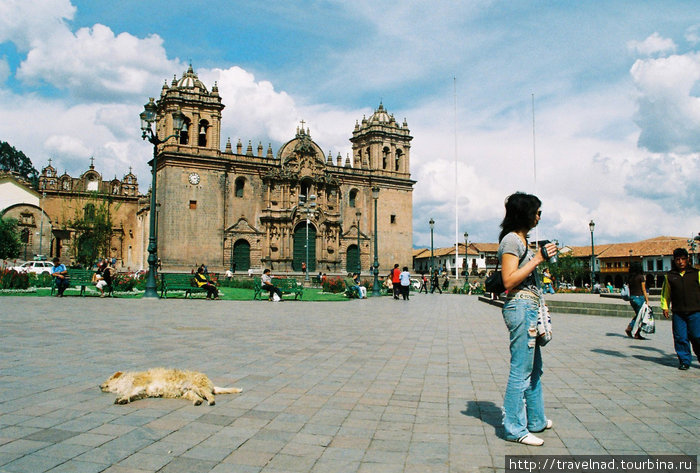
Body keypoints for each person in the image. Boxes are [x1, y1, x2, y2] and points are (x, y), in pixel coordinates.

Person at [497, 192, 557, 446]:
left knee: (534, 369)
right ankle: (514, 427)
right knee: (520, 370)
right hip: (520, 307)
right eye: (537, 211)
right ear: (524, 213)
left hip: (530, 306)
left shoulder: (523, 240)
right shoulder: (511, 240)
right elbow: (509, 280)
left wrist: (540, 257)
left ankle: (536, 420)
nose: (539, 216)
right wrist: (538, 260)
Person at [660, 248, 700, 371]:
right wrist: (665, 307)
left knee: (697, 336)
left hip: (696, 311)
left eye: (683, 259)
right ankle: (684, 361)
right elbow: (665, 293)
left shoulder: (696, 273)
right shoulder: (670, 276)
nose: (680, 262)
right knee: (680, 337)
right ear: (674, 261)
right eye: (678, 259)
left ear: (687, 259)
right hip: (678, 313)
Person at [625, 261, 649, 339]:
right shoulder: (640, 277)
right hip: (639, 298)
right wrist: (647, 299)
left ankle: (631, 328)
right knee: (641, 316)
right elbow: (644, 289)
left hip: (632, 298)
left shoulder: (630, 278)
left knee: (638, 314)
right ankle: (635, 332)